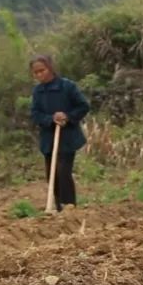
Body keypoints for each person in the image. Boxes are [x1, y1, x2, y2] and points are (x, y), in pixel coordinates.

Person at [29, 55, 90, 211]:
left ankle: (69, 205)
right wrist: (50, 119)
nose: (39, 75)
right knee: (52, 175)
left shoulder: (67, 87)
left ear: (50, 69)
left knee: (63, 172)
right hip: (49, 138)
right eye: (35, 73)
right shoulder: (37, 92)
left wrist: (67, 117)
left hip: (68, 137)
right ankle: (58, 207)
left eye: (42, 70)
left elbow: (83, 106)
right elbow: (35, 114)